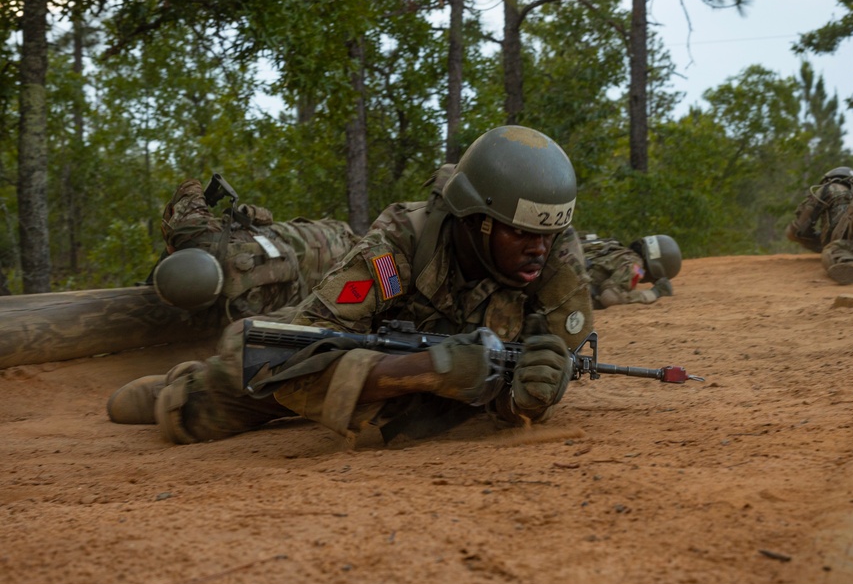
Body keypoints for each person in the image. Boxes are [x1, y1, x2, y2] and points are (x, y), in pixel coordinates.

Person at [106, 125, 595, 447]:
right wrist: (427, 368)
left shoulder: (557, 261)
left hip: (454, 396)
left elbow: (545, 368)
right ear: (476, 220)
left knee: (393, 423)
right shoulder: (400, 245)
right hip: (369, 349)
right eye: (521, 233)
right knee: (247, 371)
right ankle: (181, 390)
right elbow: (297, 353)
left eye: (549, 235)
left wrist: (530, 395)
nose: (539, 249)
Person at [151, 177, 361, 320]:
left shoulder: (237, 312)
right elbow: (190, 186)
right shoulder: (196, 231)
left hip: (324, 276)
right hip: (325, 237)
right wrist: (175, 236)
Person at [581, 234, 680, 309]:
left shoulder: (610, 245)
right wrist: (654, 293)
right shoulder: (636, 266)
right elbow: (609, 298)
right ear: (656, 270)